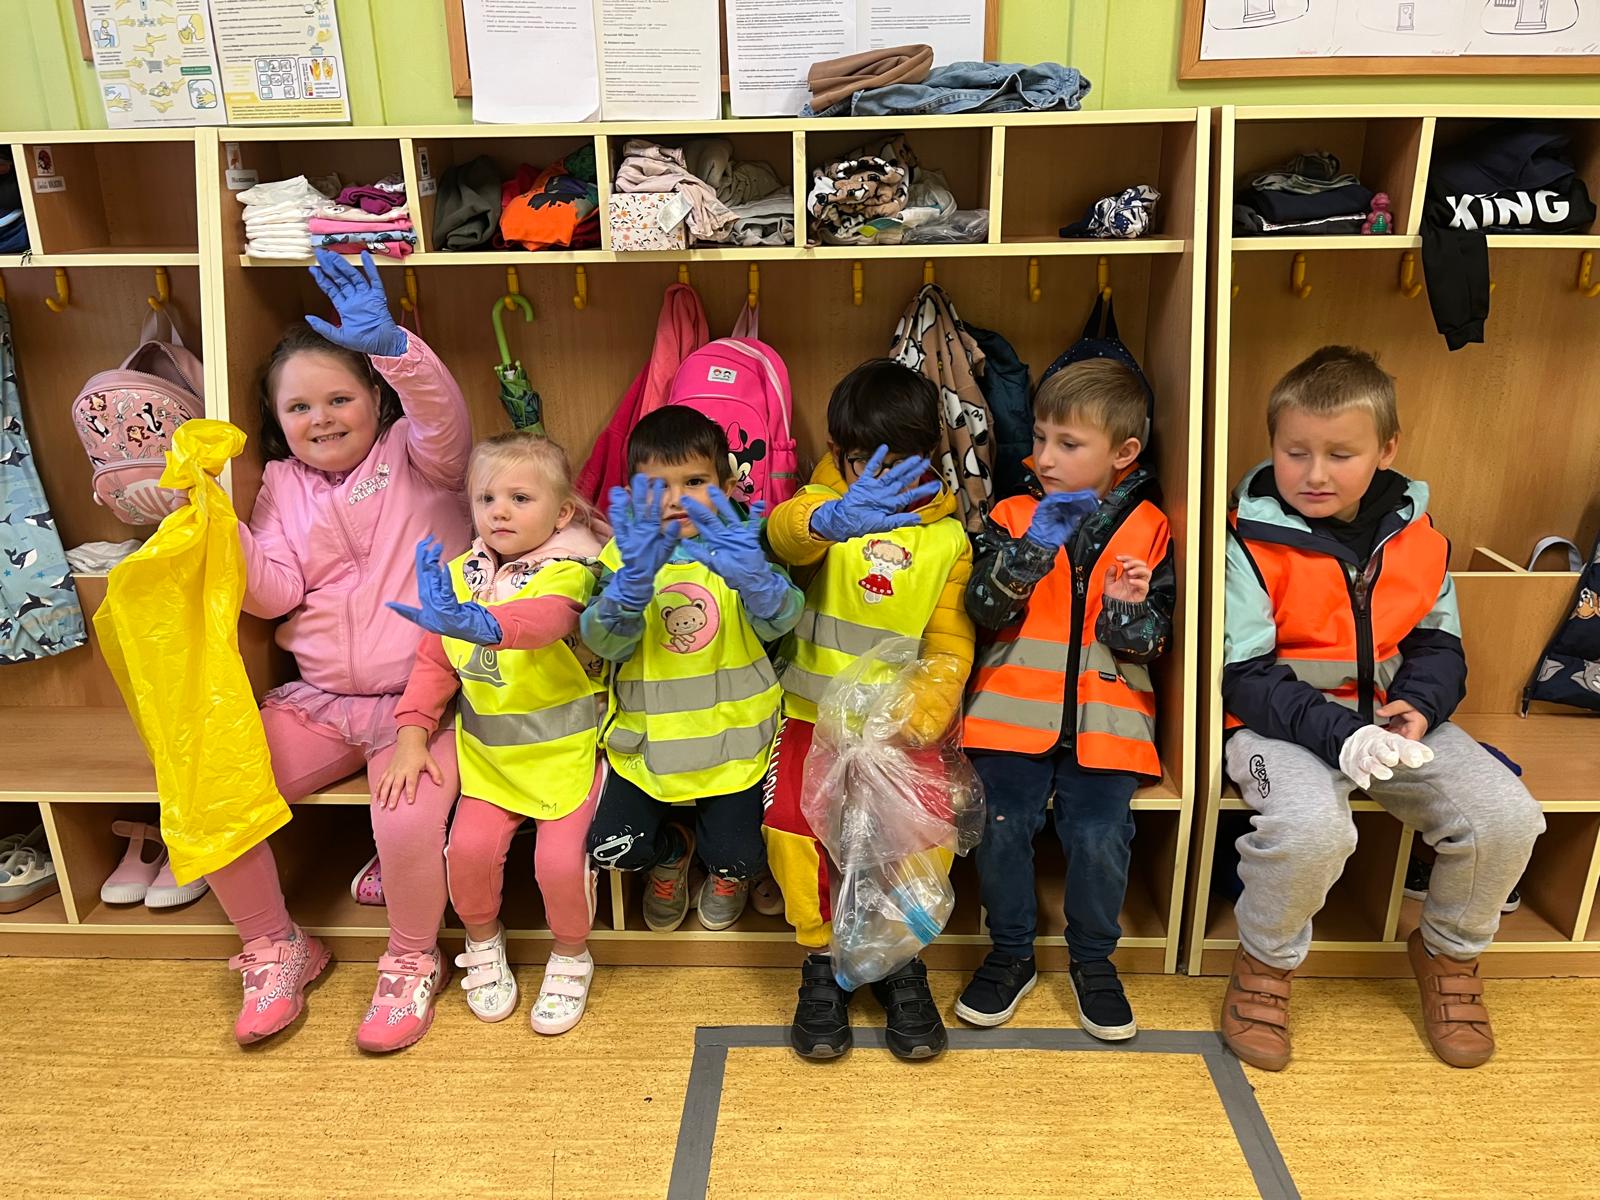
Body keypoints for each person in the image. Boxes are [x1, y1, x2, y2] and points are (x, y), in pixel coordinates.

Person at [1219, 345, 1544, 1071]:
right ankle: (1265, 964)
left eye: (1340, 455)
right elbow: (1245, 675)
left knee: (1507, 817)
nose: (1315, 473)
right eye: (1295, 452)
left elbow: (1440, 646)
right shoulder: (1246, 536)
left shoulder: (1417, 536)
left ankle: (1448, 954)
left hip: (1393, 721)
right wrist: (1343, 735)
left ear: (1386, 449)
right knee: (1309, 831)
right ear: (1272, 443)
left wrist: (1419, 709)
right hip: (1281, 726)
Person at [213, 250, 470, 1051]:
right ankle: (275, 946)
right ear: (276, 418)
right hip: (320, 702)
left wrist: (394, 348)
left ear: (376, 401)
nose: (321, 418)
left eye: (339, 398)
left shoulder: (420, 456)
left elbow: (444, 418)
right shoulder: (281, 485)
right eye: (299, 407)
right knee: (215, 787)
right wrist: (212, 523)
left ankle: (412, 960)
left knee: (403, 820)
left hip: (425, 700)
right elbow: (273, 592)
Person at [763, 358, 975, 1061]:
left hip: (897, 725)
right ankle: (823, 959)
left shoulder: (948, 539)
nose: (883, 481)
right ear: (839, 451)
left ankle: (898, 959)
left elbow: (949, 642)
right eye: (864, 463)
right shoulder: (820, 506)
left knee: (923, 834)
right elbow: (782, 535)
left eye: (903, 466)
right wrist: (829, 518)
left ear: (930, 456)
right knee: (795, 833)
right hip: (809, 714)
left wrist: (921, 715)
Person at [957, 358, 1174, 1038]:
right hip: (1008, 719)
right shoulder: (1010, 513)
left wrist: (1126, 608)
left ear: (1123, 453)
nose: (1044, 457)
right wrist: (1031, 550)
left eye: (1068, 443)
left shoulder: (1152, 526)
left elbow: (1153, 645)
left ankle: (1093, 962)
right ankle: (1011, 952)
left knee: (1101, 835)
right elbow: (983, 609)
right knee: (999, 825)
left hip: (1109, 725)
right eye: (1041, 438)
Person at [385, 432, 607, 1034]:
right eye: (486, 498)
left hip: (567, 757)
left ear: (561, 514)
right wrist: (412, 733)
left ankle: (571, 952)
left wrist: (479, 621)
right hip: (489, 760)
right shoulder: (459, 576)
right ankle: (482, 941)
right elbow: (433, 664)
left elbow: (545, 620)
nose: (499, 511)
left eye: (519, 498)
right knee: (468, 854)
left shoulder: (576, 572)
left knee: (560, 864)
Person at [582, 408, 802, 933]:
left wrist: (755, 580)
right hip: (648, 748)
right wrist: (629, 591)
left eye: (695, 482)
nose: (677, 499)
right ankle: (673, 851)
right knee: (612, 849)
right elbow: (601, 643)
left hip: (735, 750)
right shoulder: (620, 556)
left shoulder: (746, 544)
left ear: (726, 487)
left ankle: (725, 872)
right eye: (658, 487)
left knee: (740, 858)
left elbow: (783, 621)